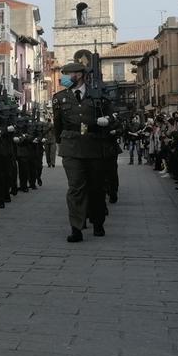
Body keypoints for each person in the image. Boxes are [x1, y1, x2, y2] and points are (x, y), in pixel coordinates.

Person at [52, 61, 113, 243]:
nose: (63, 78)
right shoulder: (59, 97)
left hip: (94, 146)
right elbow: (57, 125)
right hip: (71, 147)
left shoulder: (98, 96)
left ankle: (97, 222)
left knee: (96, 187)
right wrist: (61, 143)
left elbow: (112, 116)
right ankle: (76, 227)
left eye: (67, 74)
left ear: (78, 75)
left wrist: (106, 120)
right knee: (75, 188)